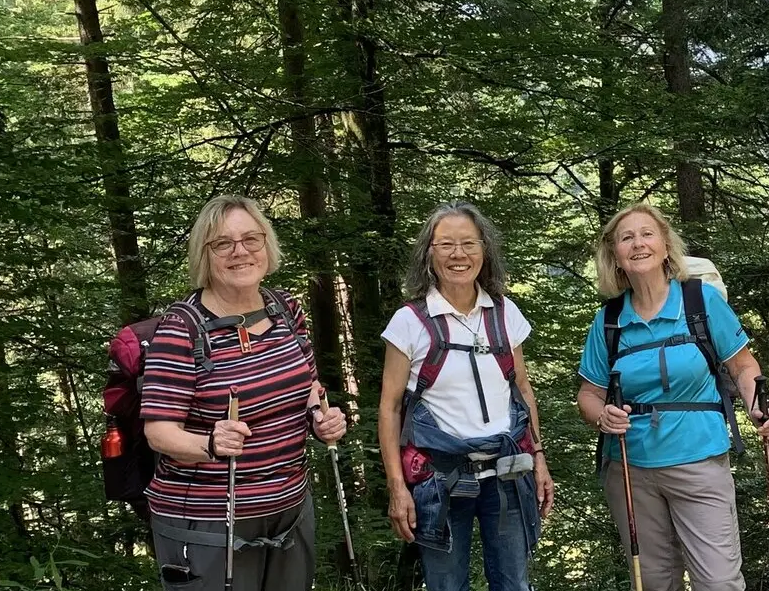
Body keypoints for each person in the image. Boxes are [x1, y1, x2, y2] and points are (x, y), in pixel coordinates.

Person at [139, 195, 349, 591]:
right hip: (208, 519)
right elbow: (159, 433)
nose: (240, 252)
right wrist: (212, 443)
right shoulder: (181, 329)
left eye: (251, 239)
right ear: (205, 255)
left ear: (266, 245)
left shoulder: (286, 309)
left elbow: (309, 388)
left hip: (289, 508)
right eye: (223, 244)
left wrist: (321, 419)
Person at [576, 203, 769, 591]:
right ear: (615, 255)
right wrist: (602, 415)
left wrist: (760, 409)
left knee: (719, 582)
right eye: (627, 237)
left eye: (647, 234)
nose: (638, 243)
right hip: (630, 469)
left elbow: (743, 367)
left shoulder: (700, 302)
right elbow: (589, 393)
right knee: (653, 582)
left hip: (700, 461)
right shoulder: (608, 321)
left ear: (667, 246)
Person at [378, 203, 552, 591]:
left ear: (484, 251)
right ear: (429, 254)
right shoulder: (409, 321)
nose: (459, 255)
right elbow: (390, 408)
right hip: (439, 479)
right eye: (446, 245)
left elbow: (521, 389)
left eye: (469, 244)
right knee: (445, 586)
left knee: (514, 585)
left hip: (507, 474)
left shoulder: (504, 313)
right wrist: (397, 487)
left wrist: (539, 459)